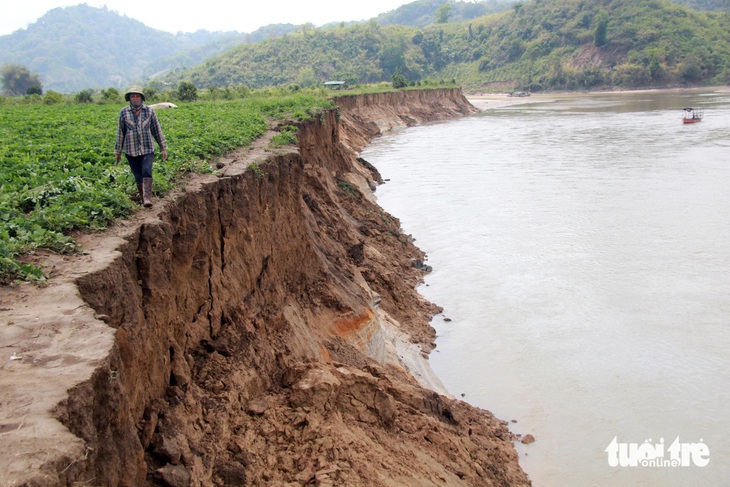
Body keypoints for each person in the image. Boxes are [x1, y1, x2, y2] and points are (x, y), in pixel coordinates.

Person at [114, 86, 168, 207]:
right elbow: (120, 132)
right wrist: (118, 151)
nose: (135, 98)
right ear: (129, 98)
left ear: (142, 98)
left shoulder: (149, 111)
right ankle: (143, 198)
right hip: (130, 149)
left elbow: (156, 129)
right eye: (133, 96)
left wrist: (163, 147)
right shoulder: (124, 112)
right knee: (138, 175)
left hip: (147, 148)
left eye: (137, 96)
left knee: (146, 170)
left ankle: (147, 198)